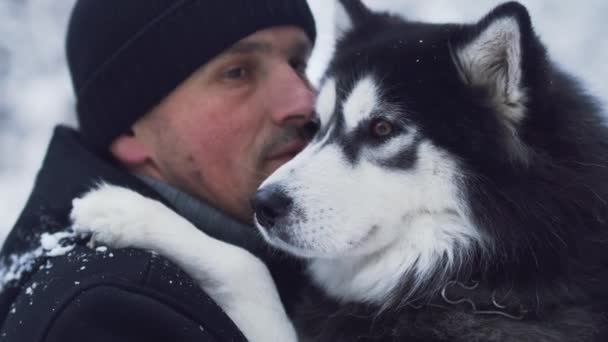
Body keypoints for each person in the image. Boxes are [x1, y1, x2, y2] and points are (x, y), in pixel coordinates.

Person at [0, 0, 318, 341]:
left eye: (298, 64)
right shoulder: (102, 314)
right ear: (129, 129)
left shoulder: (320, 260)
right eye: (238, 72)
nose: (304, 101)